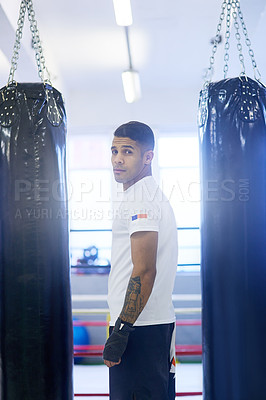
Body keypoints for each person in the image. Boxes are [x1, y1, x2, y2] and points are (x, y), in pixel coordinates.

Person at [103, 121, 178, 400]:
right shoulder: (142, 195)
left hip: (139, 328)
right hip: (146, 324)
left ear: (148, 157)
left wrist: (121, 331)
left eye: (128, 151)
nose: (117, 159)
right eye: (114, 151)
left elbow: (145, 270)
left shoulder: (142, 200)